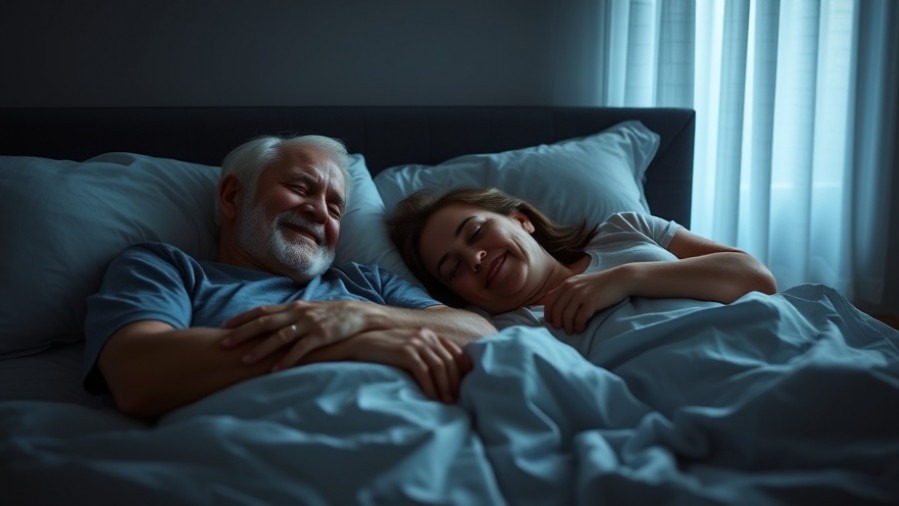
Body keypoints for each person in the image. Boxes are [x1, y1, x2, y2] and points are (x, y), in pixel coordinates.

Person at [83, 136, 496, 420]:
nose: (320, 212)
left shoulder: (368, 285)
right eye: (301, 188)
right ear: (232, 197)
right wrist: (348, 345)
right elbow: (137, 373)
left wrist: (359, 317)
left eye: (336, 209)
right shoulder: (166, 268)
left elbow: (478, 331)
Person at [388, 187, 778, 334]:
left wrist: (626, 279)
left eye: (475, 233)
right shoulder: (499, 331)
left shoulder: (626, 229)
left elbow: (757, 277)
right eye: (453, 268)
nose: (474, 257)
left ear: (522, 220)